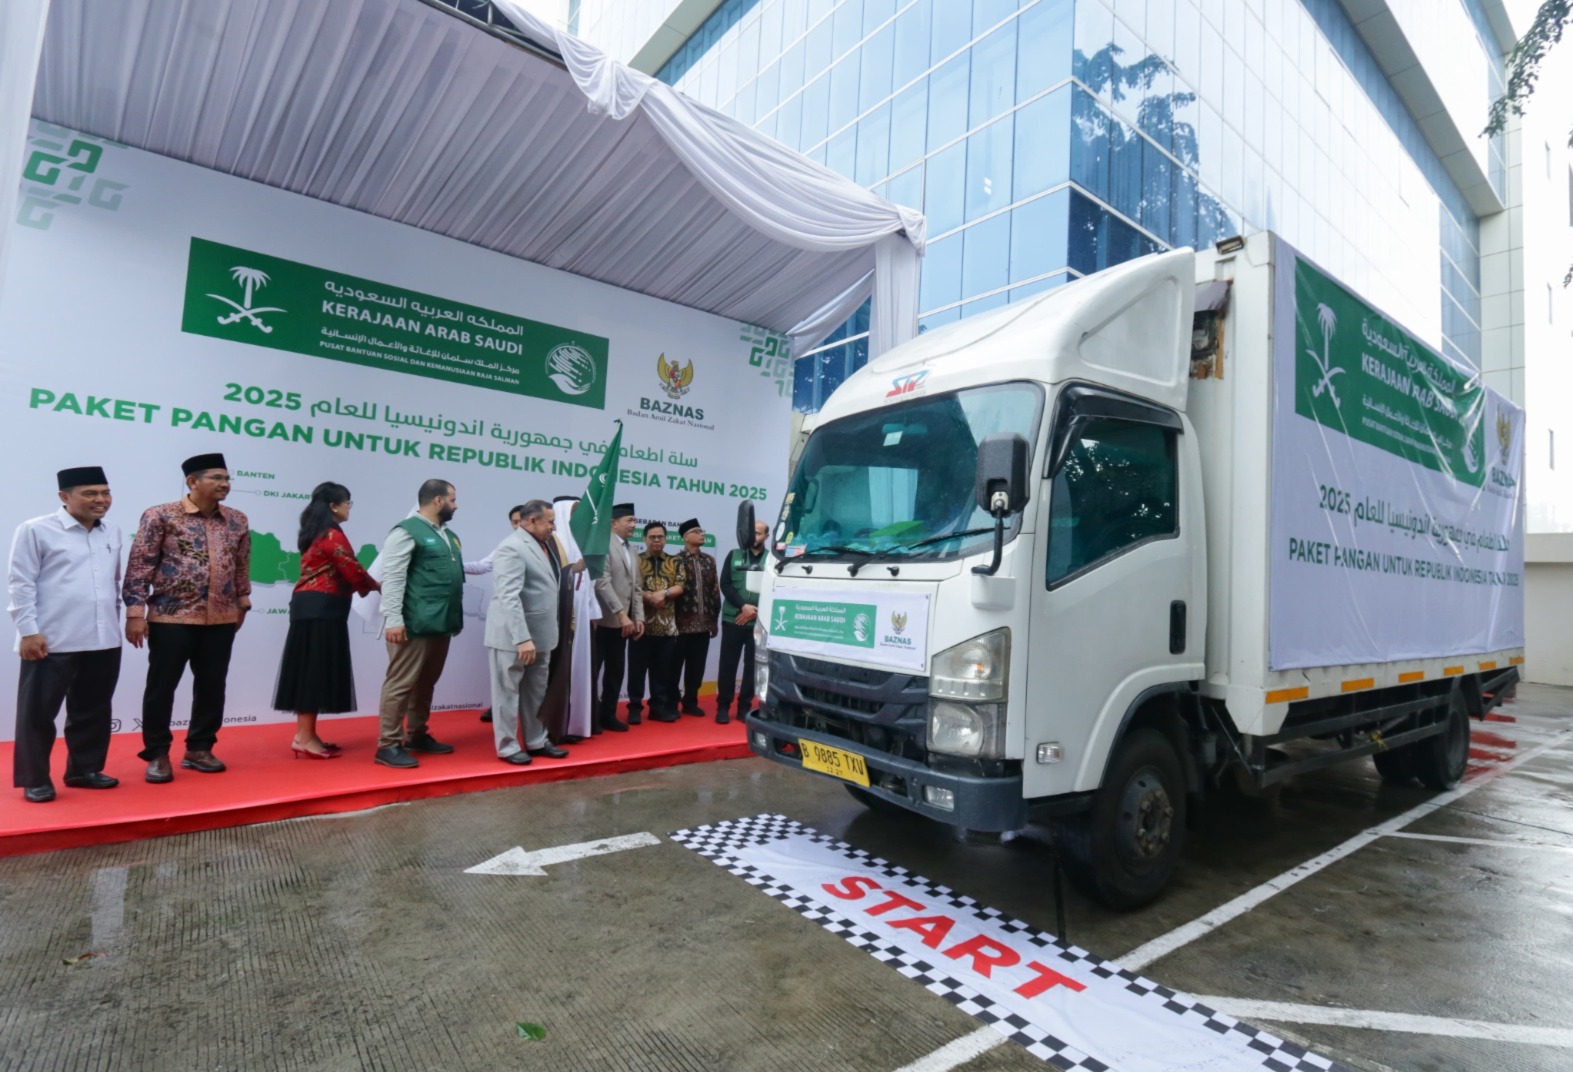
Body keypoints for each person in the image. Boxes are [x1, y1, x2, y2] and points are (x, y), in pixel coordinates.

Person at [123, 453, 250, 783]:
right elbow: (139, 567)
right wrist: (135, 614)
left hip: (221, 618)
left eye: (227, 479)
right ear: (192, 482)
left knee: (212, 686)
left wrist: (243, 601)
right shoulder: (161, 515)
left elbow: (241, 565)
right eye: (217, 478)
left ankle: (199, 748)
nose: (225, 484)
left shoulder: (237, 520)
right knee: (161, 687)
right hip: (170, 617)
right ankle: (158, 753)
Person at [7, 466, 123, 803]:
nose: (100, 500)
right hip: (50, 639)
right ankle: (35, 778)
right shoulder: (36, 530)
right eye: (90, 493)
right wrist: (28, 632)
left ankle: (83, 770)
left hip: (103, 638)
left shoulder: (111, 531)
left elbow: (112, 583)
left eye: (105, 492)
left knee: (93, 709)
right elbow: (21, 583)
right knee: (37, 713)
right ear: (64, 497)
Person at [271, 483, 379, 759]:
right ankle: (304, 736)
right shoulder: (332, 534)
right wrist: (377, 585)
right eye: (347, 503)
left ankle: (306, 734)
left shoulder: (317, 532)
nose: (348, 508)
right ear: (334, 506)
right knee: (313, 673)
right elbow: (351, 569)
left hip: (314, 608)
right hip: (320, 609)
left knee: (311, 671)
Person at [374, 478, 465, 769]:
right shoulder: (405, 531)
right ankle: (388, 745)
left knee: (426, 682)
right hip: (412, 624)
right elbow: (394, 578)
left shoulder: (447, 535)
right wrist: (394, 620)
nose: (456, 505)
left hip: (440, 624)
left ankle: (417, 734)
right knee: (400, 683)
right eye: (452, 499)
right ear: (437, 500)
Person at [483, 500, 570, 764]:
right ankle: (507, 746)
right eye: (549, 522)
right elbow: (509, 597)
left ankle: (535, 740)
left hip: (542, 635)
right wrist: (522, 638)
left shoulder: (545, 546)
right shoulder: (511, 547)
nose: (554, 527)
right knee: (507, 693)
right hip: (514, 637)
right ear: (531, 521)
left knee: (536, 692)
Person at [535, 494, 590, 743]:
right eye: (574, 512)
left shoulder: (578, 541)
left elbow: (588, 583)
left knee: (572, 672)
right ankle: (547, 729)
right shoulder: (550, 541)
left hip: (576, 617)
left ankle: (569, 725)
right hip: (553, 618)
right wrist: (572, 569)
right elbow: (549, 576)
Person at [591, 503, 643, 733]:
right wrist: (621, 614)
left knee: (615, 671)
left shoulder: (632, 550)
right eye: (629, 521)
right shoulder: (604, 544)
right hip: (602, 621)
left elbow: (637, 588)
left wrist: (638, 616)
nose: (634, 525)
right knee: (592, 672)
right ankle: (590, 716)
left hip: (624, 625)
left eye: (634, 520)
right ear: (613, 523)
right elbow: (602, 582)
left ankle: (608, 714)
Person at [628, 522, 685, 723]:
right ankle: (634, 707)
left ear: (665, 538)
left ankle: (657, 708)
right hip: (640, 625)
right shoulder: (635, 560)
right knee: (636, 671)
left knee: (662, 672)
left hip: (667, 627)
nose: (656, 540)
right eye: (652, 537)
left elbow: (680, 585)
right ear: (644, 539)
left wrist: (664, 593)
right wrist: (647, 596)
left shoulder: (675, 561)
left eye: (660, 537)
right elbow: (630, 585)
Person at [477, 504, 529, 724]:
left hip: (537, 619)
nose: (518, 526)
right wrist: (452, 566)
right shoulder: (508, 546)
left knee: (533, 676)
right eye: (514, 523)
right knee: (507, 674)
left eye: (521, 521)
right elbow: (481, 566)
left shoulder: (545, 546)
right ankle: (504, 722)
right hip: (511, 621)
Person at [717, 520, 769, 724]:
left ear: (766, 536)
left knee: (752, 667)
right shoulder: (734, 555)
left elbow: (775, 589)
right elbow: (726, 584)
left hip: (759, 622)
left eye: (757, 533)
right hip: (734, 619)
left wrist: (755, 611)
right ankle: (723, 706)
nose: (753, 537)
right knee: (727, 665)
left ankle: (744, 707)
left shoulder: (772, 559)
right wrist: (743, 607)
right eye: (750, 532)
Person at [672, 518, 721, 717]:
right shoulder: (675, 560)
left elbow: (714, 591)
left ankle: (691, 701)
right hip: (679, 625)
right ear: (685, 537)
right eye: (696, 531)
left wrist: (714, 620)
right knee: (674, 667)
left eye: (702, 531)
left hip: (703, 624)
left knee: (697, 666)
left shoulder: (709, 560)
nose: (701, 534)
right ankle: (672, 702)